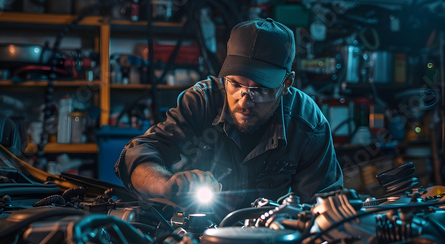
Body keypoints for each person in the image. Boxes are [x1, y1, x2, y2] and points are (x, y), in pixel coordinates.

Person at [115, 18, 343, 216]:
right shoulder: (202, 102)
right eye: (235, 84)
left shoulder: (308, 124)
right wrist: (166, 184)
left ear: (286, 84)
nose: (244, 101)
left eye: (260, 89)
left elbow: (326, 208)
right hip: (196, 239)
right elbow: (136, 155)